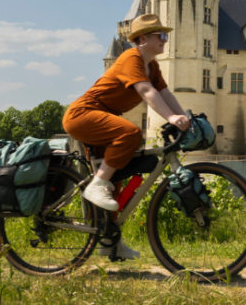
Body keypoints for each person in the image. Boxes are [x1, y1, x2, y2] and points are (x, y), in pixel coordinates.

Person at [62, 13, 191, 259]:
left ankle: (110, 243)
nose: (165, 40)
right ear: (142, 38)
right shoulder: (131, 57)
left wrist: (184, 117)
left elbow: (164, 93)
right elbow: (146, 90)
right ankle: (96, 185)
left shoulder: (152, 66)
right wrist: (172, 119)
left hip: (104, 118)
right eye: (160, 36)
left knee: (116, 181)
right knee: (131, 132)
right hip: (84, 114)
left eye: (166, 36)